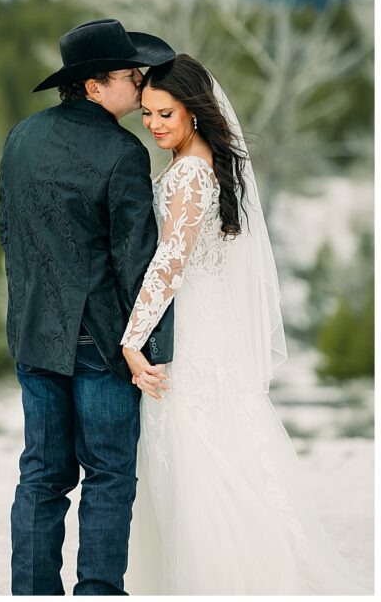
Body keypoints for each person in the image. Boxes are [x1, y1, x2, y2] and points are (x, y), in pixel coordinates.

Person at [120, 54, 370, 594]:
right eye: (147, 114)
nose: (154, 124)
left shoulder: (191, 172)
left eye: (165, 114)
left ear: (193, 111)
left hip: (191, 332)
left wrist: (132, 341)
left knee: (196, 459)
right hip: (210, 325)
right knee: (212, 450)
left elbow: (170, 263)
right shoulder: (202, 161)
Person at [0, 18, 175, 595]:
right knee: (109, 476)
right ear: (95, 85)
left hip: (33, 335)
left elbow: (9, 234)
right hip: (102, 343)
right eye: (131, 76)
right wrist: (152, 350)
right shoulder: (123, 151)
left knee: (41, 476)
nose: (141, 84)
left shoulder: (20, 136)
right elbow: (136, 260)